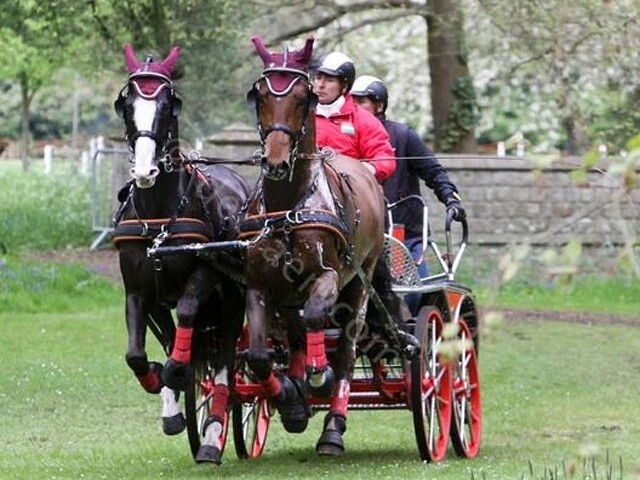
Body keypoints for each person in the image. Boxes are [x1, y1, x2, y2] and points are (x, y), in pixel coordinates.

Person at [350, 75, 466, 314]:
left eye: (361, 102)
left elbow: (434, 172)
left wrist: (451, 199)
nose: (354, 107)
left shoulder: (403, 136)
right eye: (351, 102)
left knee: (412, 296)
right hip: (359, 235)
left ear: (379, 105)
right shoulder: (346, 136)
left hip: (403, 236)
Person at [312, 52, 396, 182]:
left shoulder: (364, 120)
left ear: (344, 87)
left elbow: (384, 157)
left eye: (329, 80)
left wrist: (367, 168)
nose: (320, 85)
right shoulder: (298, 114)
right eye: (318, 78)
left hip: (350, 188)